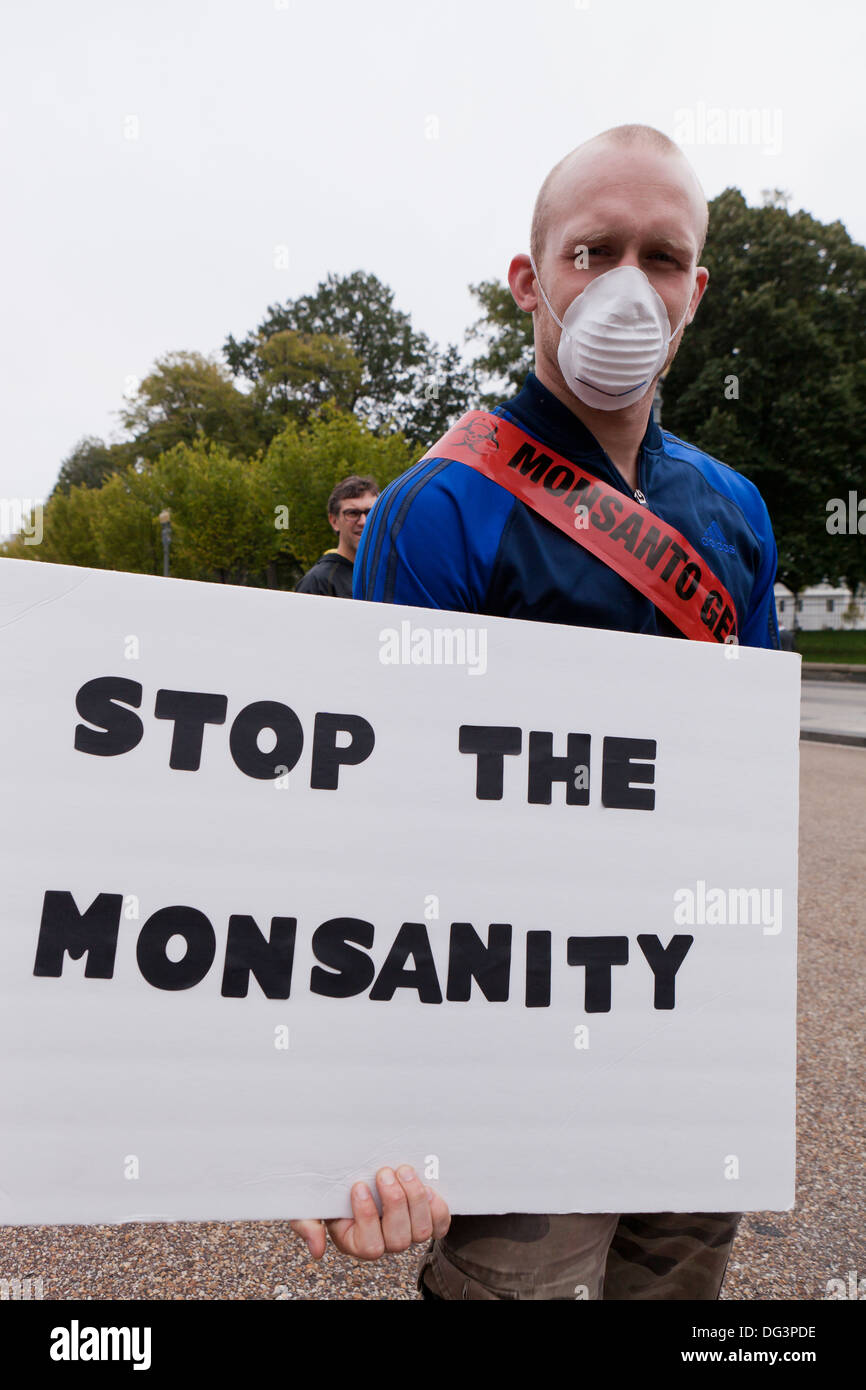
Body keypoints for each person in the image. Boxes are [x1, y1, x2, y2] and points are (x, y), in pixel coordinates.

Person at [291, 123, 781, 1299]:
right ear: (530, 277)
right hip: (512, 1044)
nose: (626, 285)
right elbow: (376, 824)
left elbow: (742, 783)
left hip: (683, 1019)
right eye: (589, 249)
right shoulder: (439, 508)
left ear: (695, 290)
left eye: (659, 257)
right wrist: (343, 1107)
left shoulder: (733, 511)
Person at [294, 475, 379, 598]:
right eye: (352, 513)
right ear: (334, 521)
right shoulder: (317, 583)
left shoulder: (384, 576)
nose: (363, 522)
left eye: (370, 513)